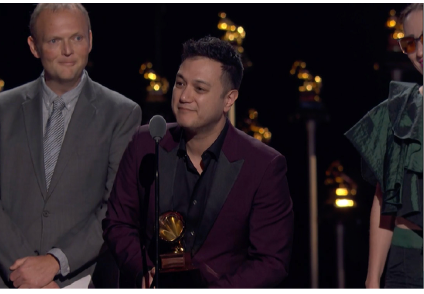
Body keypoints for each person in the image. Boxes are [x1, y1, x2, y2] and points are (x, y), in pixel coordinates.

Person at [0, 3, 142, 289]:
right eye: (54, 40)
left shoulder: (122, 114)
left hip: (76, 278)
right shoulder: (0, 110)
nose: (68, 51)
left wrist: (55, 262)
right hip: (0, 274)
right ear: (34, 47)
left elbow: (115, 209)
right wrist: (30, 272)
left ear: (91, 40)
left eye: (77, 38)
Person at [102, 36, 295, 289]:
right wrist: (144, 273)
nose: (184, 96)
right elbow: (118, 222)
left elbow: (271, 262)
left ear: (229, 99)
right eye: (180, 83)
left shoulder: (263, 166)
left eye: (200, 89)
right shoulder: (146, 143)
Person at [345, 3, 423, 289]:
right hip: (406, 265)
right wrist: (372, 280)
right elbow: (384, 199)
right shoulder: (398, 112)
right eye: (411, 42)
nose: (419, 53)